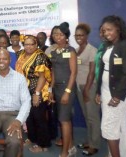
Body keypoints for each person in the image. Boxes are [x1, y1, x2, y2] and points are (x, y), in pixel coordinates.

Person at [95, 15, 126, 157]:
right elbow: (101, 70)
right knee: (111, 126)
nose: (106, 33)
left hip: (117, 91)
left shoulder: (125, 46)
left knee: (109, 128)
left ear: (118, 29)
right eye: (104, 30)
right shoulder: (107, 45)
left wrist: (117, 96)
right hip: (106, 90)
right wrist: (98, 92)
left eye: (109, 30)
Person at [16, 35, 52, 152]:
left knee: (39, 117)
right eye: (26, 44)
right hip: (24, 92)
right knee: (29, 116)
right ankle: (32, 138)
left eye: (32, 44)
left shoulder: (40, 56)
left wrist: (37, 94)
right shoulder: (21, 54)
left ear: (36, 44)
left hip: (38, 90)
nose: (29, 46)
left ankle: (43, 145)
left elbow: (42, 77)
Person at [48, 22, 77, 157]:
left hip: (67, 89)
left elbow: (73, 73)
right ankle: (71, 147)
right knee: (63, 119)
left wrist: (67, 92)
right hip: (57, 88)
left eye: (60, 34)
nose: (57, 37)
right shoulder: (54, 51)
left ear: (66, 36)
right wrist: (50, 90)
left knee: (64, 120)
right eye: (55, 34)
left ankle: (65, 152)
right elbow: (53, 72)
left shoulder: (70, 51)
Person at [74, 23, 100, 156]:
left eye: (81, 35)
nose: (79, 37)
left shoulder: (92, 50)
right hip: (79, 86)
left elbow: (92, 72)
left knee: (93, 117)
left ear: (86, 36)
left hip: (89, 87)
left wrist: (86, 89)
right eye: (77, 35)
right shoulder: (77, 50)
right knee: (86, 116)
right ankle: (89, 141)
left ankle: (94, 145)